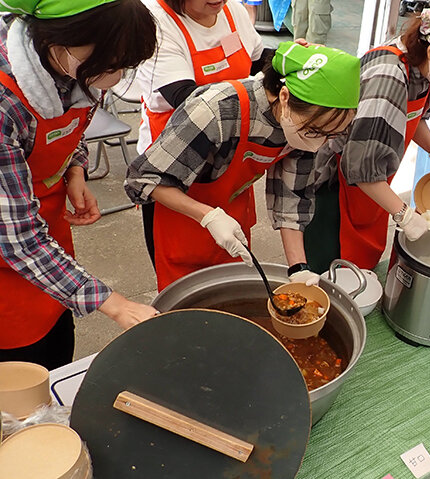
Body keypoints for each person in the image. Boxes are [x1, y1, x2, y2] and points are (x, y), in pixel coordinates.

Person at [0, 0, 158, 370]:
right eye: (109, 63)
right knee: (21, 383)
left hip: (47, 237)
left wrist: (74, 170)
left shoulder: (76, 68)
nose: (116, 77)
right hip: (14, 248)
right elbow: (18, 240)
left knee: (56, 347)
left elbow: (75, 127)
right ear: (60, 39)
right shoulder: (6, 103)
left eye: (125, 65)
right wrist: (115, 304)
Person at [125, 42, 359, 290]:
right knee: (186, 310)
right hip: (183, 223)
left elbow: (291, 197)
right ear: (284, 97)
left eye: (329, 136)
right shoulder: (216, 110)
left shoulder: (301, 127)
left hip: (233, 216)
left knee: (230, 296)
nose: (319, 142)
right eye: (314, 131)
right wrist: (208, 216)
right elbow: (142, 179)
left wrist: (298, 268)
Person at [306, 0, 430, 272]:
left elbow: (412, 116)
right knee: (331, 271)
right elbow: (360, 169)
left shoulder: (425, 71)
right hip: (338, 187)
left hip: (374, 183)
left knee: (361, 265)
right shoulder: (388, 78)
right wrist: (404, 215)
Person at [135, 0, 267, 267]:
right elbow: (187, 100)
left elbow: (257, 60)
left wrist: (289, 60)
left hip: (230, 163)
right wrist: (258, 88)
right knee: (183, 268)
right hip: (176, 166)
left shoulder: (232, 11)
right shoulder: (154, 22)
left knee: (233, 261)